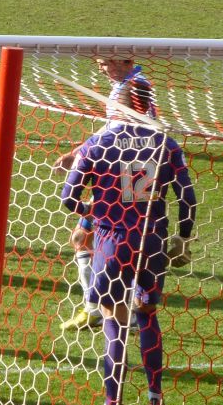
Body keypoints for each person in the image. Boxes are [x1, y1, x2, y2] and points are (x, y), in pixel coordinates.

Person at [61, 89, 196, 405]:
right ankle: (156, 400)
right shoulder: (167, 143)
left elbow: (68, 197)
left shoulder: (97, 142)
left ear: (114, 106)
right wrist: (183, 235)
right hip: (151, 239)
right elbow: (188, 196)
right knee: (147, 315)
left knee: (113, 321)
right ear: (151, 106)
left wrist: (93, 211)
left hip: (111, 241)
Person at [57, 57, 159, 332]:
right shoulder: (124, 84)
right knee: (85, 239)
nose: (104, 69)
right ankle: (99, 308)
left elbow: (134, 128)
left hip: (125, 175)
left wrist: (84, 156)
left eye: (109, 62)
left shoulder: (136, 86)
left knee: (120, 244)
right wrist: (77, 152)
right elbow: (110, 128)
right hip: (121, 172)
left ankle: (125, 311)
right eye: (101, 64)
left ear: (126, 60)